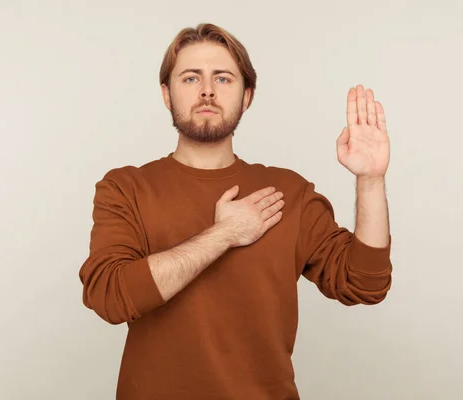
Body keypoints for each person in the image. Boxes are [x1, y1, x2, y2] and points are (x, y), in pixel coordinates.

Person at [79, 22, 393, 400]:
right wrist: (224, 233)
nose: (208, 91)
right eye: (191, 78)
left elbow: (366, 283)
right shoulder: (125, 188)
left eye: (224, 79)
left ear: (247, 96)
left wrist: (371, 180)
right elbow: (111, 296)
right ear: (166, 93)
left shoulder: (288, 192)